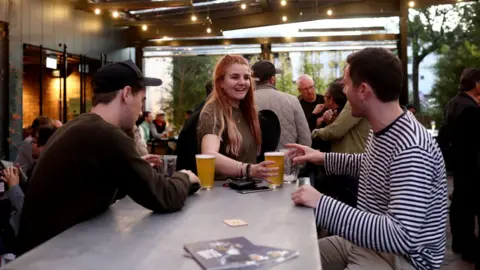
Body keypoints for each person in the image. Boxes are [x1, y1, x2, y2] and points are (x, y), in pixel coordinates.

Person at [17, 60, 199, 254]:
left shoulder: (78, 126)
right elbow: (166, 197)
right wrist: (185, 176)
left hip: (38, 252)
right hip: (53, 259)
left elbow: (87, 185)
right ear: (126, 94)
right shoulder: (108, 135)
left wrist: (133, 168)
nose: (140, 109)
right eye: (142, 100)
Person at [288, 48, 447, 270]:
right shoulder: (384, 129)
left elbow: (400, 235)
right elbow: (371, 164)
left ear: (362, 90)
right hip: (368, 242)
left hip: (401, 258)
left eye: (345, 84)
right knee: (293, 260)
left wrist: (321, 203)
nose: (343, 91)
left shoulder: (412, 148)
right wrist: (321, 157)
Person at [197, 55, 277, 179]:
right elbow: (209, 155)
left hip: (248, 191)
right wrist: (248, 169)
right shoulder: (213, 110)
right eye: (235, 77)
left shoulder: (246, 110)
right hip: (224, 194)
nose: (242, 82)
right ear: (221, 82)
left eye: (246, 77)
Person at [438, 67, 480, 263]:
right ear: (476, 84)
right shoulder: (471, 109)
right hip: (473, 164)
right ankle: (469, 247)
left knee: (460, 202)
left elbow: (443, 137)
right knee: (469, 205)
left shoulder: (453, 103)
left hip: (458, 163)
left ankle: (460, 242)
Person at [252, 60, 311, 149]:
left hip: (253, 162)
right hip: (286, 160)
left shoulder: (244, 101)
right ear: (272, 79)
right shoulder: (292, 100)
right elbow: (305, 138)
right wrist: (298, 162)